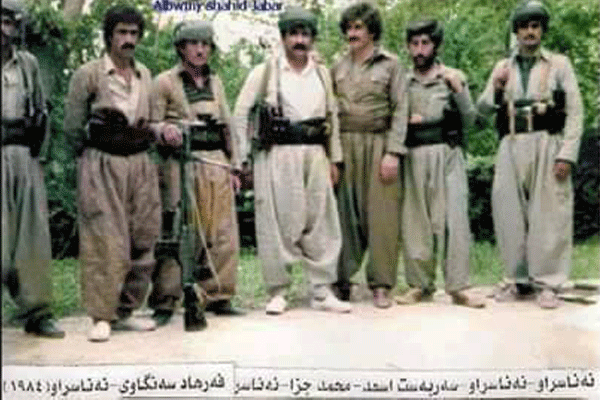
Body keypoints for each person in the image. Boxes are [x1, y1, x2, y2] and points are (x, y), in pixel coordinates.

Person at [64, 6, 180, 341]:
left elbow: (150, 120)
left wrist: (163, 130)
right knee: (105, 239)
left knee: (144, 236)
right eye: (121, 32)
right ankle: (102, 315)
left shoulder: (144, 74)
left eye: (133, 33)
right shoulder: (88, 74)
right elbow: (72, 127)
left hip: (140, 162)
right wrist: (87, 164)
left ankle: (125, 311)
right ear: (109, 36)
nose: (128, 39)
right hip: (102, 163)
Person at [234, 7, 351, 315]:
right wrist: (243, 159)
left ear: (312, 38)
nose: (300, 40)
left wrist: (335, 159)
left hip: (315, 151)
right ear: (283, 37)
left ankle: (321, 290)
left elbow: (332, 117)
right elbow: (241, 113)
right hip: (279, 153)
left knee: (320, 220)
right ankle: (278, 290)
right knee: (279, 222)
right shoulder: (265, 72)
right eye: (293, 34)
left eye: (305, 34)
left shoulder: (322, 73)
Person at [477, 0, 583, 308]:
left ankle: (548, 282)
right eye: (524, 26)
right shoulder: (503, 67)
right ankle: (518, 280)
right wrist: (497, 86)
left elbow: (575, 110)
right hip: (511, 141)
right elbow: (483, 109)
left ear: (542, 30)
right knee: (507, 210)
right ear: (517, 31)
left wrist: (567, 154)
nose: (529, 32)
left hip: (546, 141)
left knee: (549, 212)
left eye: (535, 26)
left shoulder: (559, 64)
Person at [148, 20, 243, 326]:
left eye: (205, 44)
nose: (200, 50)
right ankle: (166, 300)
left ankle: (218, 294)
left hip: (216, 161)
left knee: (222, 231)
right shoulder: (164, 82)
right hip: (180, 163)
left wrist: (235, 165)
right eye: (194, 43)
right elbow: (150, 123)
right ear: (181, 48)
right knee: (178, 229)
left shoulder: (216, 82)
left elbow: (227, 126)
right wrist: (165, 130)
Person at [395, 20, 485, 308]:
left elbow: (472, 121)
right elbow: (392, 120)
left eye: (425, 43)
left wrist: (459, 91)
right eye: (414, 44)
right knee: (415, 222)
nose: (420, 50)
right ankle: (420, 285)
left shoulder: (452, 77)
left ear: (435, 45)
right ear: (408, 47)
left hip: (447, 154)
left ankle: (458, 287)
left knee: (454, 220)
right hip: (413, 155)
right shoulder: (402, 82)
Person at [331, 2, 406, 308]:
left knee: (382, 217)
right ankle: (341, 280)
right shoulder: (337, 66)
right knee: (343, 215)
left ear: (372, 31)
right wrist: (332, 156)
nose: (352, 33)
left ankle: (381, 284)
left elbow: (401, 109)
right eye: (348, 28)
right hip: (346, 143)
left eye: (358, 27)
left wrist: (393, 153)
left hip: (379, 143)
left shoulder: (391, 65)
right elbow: (329, 112)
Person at [1, 0, 64, 338]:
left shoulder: (27, 64)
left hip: (24, 155)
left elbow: (41, 111)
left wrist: (41, 156)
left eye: (9, 22)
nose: (3, 30)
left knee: (31, 237)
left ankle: (37, 312)